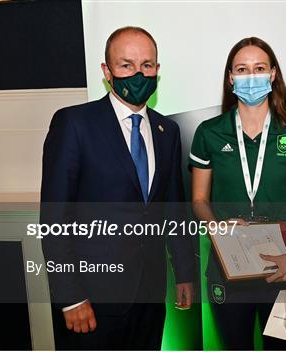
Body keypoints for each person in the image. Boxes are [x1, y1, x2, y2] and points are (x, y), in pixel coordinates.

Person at [40, 26, 195, 350]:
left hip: (150, 298)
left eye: (147, 65)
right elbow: (55, 221)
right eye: (126, 65)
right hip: (92, 301)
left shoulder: (168, 131)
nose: (138, 74)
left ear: (157, 71)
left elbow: (175, 211)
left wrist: (184, 272)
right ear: (106, 71)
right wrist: (70, 298)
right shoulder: (74, 124)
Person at [189, 37, 286, 350]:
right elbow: (199, 201)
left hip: (284, 265)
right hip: (228, 266)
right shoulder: (209, 132)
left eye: (259, 68)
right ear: (231, 78)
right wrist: (220, 229)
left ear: (273, 74)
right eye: (242, 69)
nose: (251, 76)